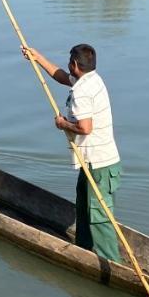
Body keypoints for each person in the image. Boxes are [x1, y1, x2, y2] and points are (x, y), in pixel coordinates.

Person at [21, 43, 122, 263]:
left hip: (99, 164)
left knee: (99, 217)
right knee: (84, 207)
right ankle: (84, 252)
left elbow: (85, 128)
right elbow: (61, 77)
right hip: (93, 163)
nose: (68, 67)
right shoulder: (92, 79)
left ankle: (112, 264)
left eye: (69, 63)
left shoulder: (82, 92)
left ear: (74, 64)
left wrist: (63, 123)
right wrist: (36, 57)